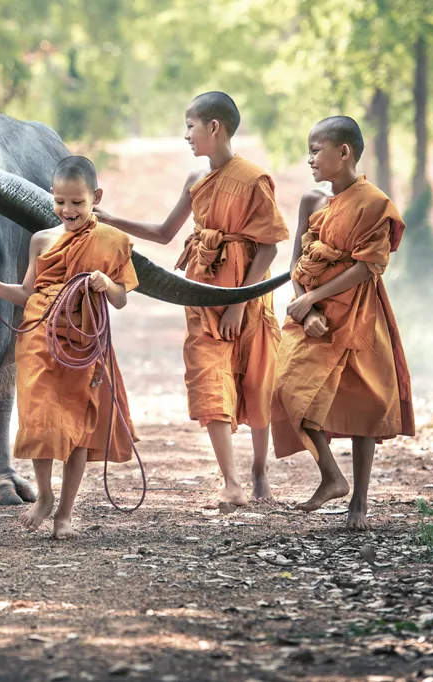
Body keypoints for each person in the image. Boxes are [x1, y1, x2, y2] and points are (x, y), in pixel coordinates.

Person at [97, 92, 289, 509]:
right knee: (210, 378)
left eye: (190, 126)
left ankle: (258, 467)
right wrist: (112, 221)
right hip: (202, 291)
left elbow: (270, 248)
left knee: (256, 380)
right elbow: (166, 233)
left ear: (214, 128)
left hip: (248, 293)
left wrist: (239, 303)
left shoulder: (254, 179)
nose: (186, 135)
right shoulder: (195, 180)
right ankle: (231, 480)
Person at [0, 156, 138, 540]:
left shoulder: (113, 241)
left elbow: (121, 300)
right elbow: (25, 293)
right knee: (39, 420)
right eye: (60, 202)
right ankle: (45, 496)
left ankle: (66, 515)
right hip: (39, 337)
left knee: (77, 429)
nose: (68, 210)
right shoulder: (41, 240)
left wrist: (107, 285)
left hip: (84, 342)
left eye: (77, 202)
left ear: (96, 198)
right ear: (52, 198)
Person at [270, 116, 414, 530]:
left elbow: (369, 267)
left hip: (357, 313)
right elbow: (298, 260)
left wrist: (315, 299)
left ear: (344, 152)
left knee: (363, 402)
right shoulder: (311, 200)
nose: (310, 158)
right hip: (310, 312)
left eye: (316, 149)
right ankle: (332, 475)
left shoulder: (374, 203)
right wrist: (304, 306)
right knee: (287, 387)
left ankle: (360, 505)